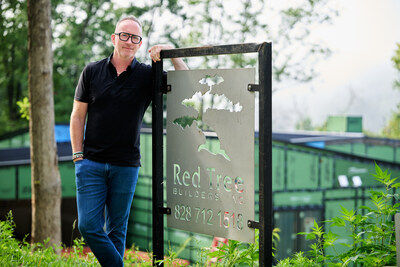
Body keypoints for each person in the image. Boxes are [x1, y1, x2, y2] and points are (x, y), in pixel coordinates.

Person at [69, 15, 188, 266]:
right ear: (114, 38)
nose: (129, 41)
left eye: (135, 37)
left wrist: (171, 52)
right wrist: (78, 156)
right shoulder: (92, 71)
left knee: (117, 230)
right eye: (124, 35)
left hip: (126, 166)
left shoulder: (147, 75)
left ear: (140, 43)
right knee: (88, 225)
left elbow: (185, 84)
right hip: (90, 163)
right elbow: (77, 116)